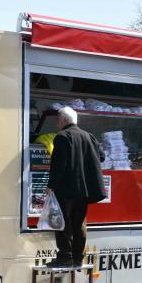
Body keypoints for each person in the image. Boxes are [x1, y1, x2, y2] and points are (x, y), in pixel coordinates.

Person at [45, 106, 106, 268]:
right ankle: (78, 258)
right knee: (79, 223)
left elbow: (59, 165)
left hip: (66, 189)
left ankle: (65, 256)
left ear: (65, 120)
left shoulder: (62, 137)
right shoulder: (89, 136)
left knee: (62, 222)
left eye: (58, 118)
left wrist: (51, 186)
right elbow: (101, 156)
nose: (57, 122)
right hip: (84, 191)